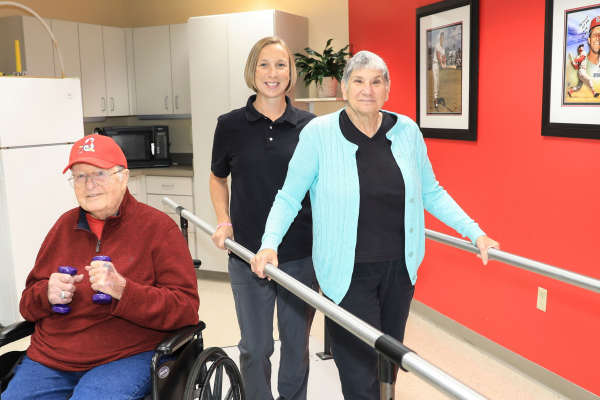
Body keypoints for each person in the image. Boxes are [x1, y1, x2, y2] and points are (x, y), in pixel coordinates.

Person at [251, 50, 500, 400]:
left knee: (388, 365)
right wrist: (269, 243)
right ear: (345, 89)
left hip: (400, 270)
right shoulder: (319, 134)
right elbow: (289, 196)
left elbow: (432, 192)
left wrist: (475, 232)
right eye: (358, 81)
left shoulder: (407, 131)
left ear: (387, 89)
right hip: (346, 274)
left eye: (376, 81)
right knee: (359, 375)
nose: (367, 89)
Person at [3, 134, 200, 400]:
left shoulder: (158, 229)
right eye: (80, 176)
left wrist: (124, 290)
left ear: (123, 177)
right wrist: (46, 294)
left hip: (124, 355)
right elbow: (27, 304)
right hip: (53, 356)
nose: (89, 184)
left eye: (99, 173)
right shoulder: (63, 227)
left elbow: (185, 309)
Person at [209, 36, 317, 400]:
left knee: (295, 346)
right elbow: (217, 177)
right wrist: (223, 219)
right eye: (264, 65)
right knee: (255, 348)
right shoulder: (229, 125)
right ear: (252, 71)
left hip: (299, 254)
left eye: (281, 65)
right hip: (246, 253)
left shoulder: (310, 126)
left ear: (291, 72)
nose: (273, 73)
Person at [568, 17, 600, 98]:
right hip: (582, 71)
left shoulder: (579, 56)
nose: (598, 39)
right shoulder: (583, 53)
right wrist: (573, 61)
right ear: (589, 40)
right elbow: (576, 66)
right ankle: (594, 93)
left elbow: (576, 65)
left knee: (578, 87)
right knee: (589, 80)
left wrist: (574, 60)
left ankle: (570, 91)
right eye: (595, 35)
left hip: (581, 72)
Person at [432, 31, 447, 109]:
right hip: (435, 65)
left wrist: (445, 63)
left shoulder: (443, 48)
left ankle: (436, 97)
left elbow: (443, 57)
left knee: (438, 84)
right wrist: (442, 64)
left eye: (443, 38)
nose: (442, 39)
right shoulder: (437, 45)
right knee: (435, 82)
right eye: (441, 37)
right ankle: (435, 101)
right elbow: (438, 56)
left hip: (438, 65)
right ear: (439, 38)